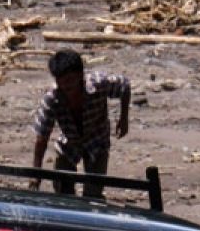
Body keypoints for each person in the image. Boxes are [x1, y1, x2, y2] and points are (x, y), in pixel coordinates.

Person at [30, 48, 130, 198]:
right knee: (62, 189)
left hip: (97, 141)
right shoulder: (52, 99)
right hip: (70, 143)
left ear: (80, 75)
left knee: (92, 194)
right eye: (60, 82)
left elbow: (124, 86)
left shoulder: (99, 84)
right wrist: (36, 174)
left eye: (69, 80)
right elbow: (41, 138)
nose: (65, 86)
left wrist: (124, 118)